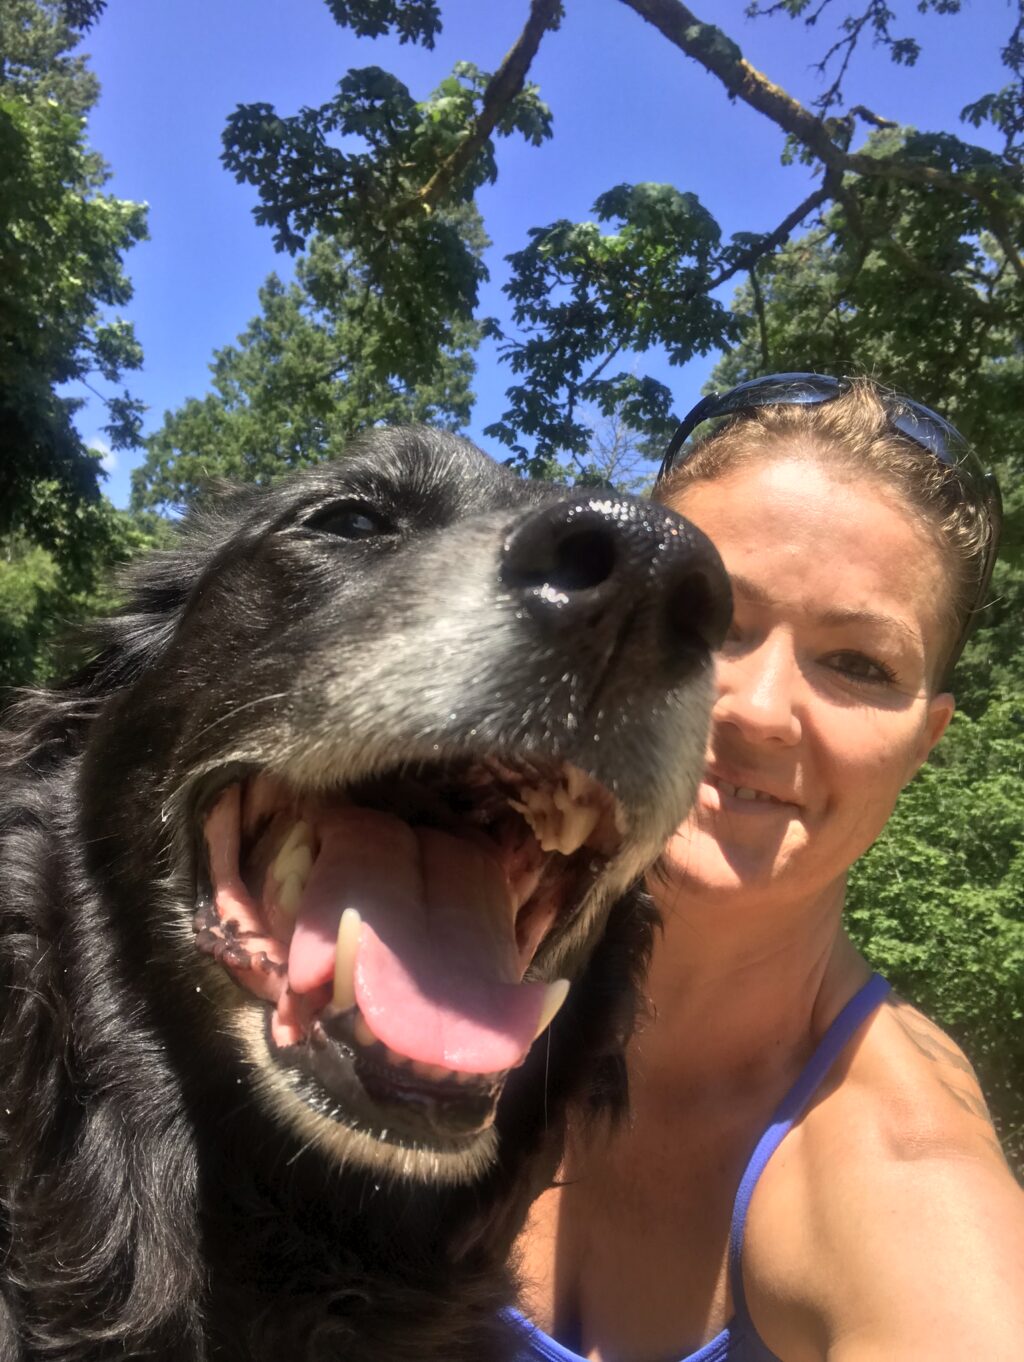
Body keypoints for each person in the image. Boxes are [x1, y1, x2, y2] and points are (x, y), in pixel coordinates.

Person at [510, 374, 1024, 1361]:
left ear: (924, 742)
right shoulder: (424, 946)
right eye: (706, 620)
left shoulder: (908, 1181)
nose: (755, 707)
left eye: (858, 665)